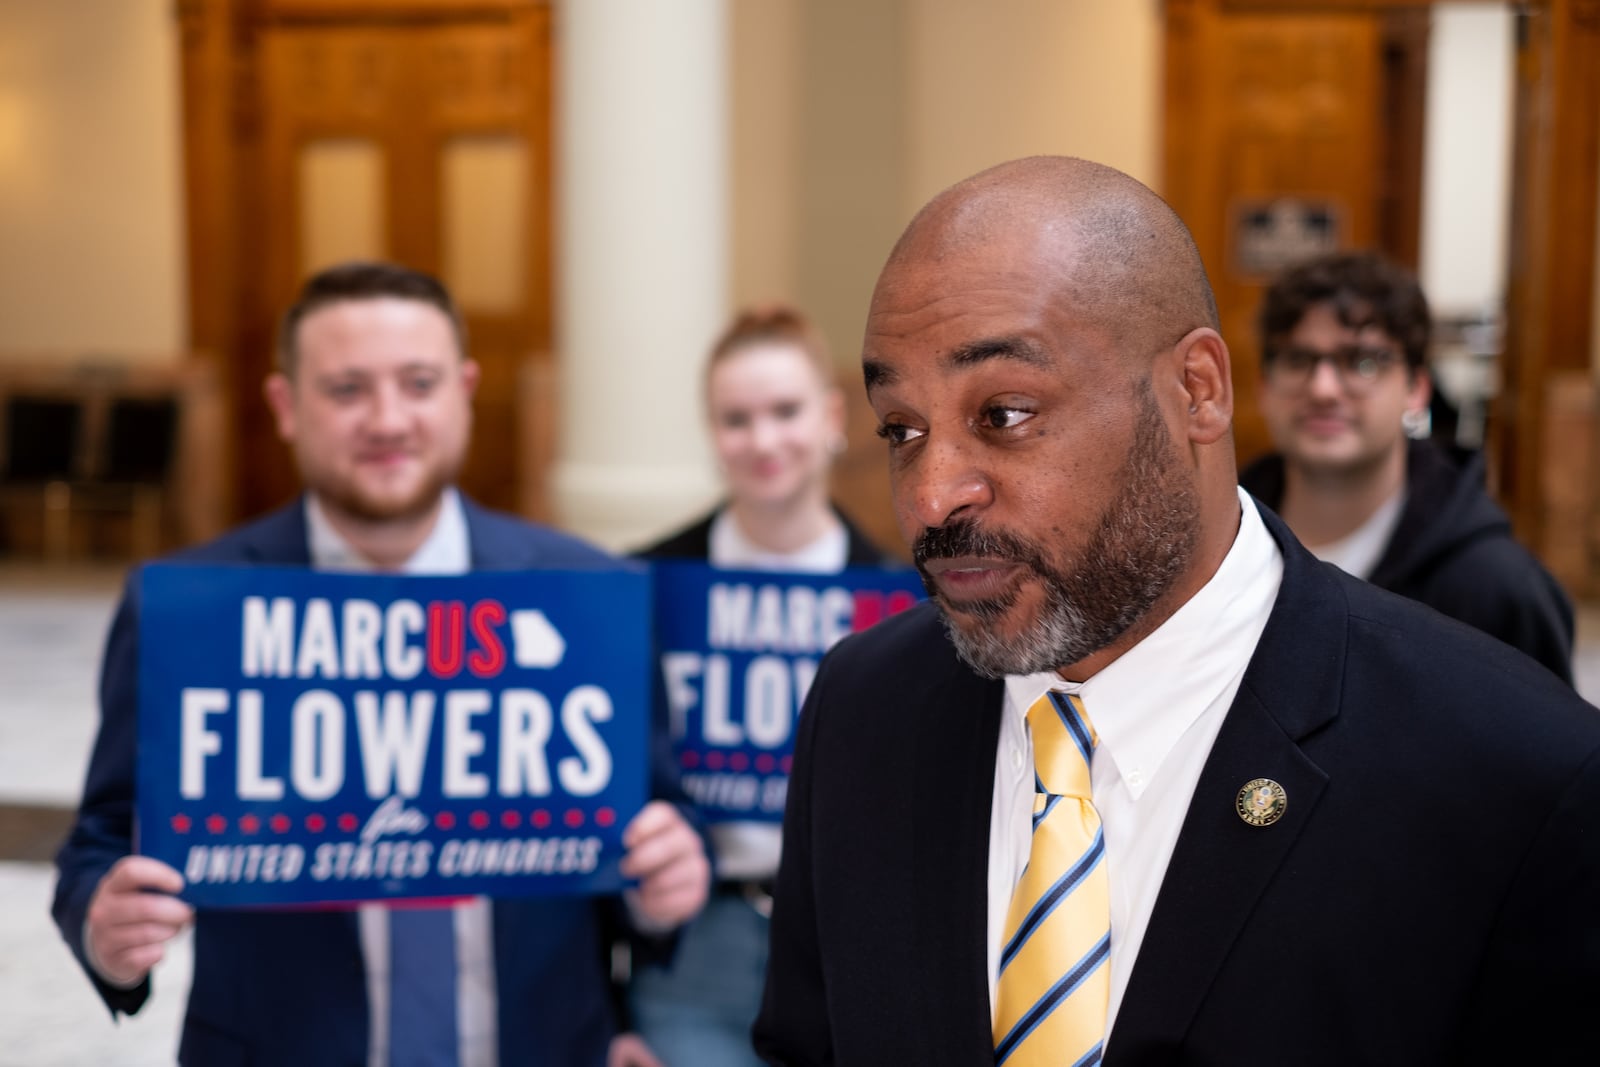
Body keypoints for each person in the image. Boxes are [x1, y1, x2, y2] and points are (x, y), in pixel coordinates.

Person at [751, 157, 1600, 1066]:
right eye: (901, 429)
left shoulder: (1514, 771)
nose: (930, 496)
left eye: (1003, 412)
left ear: (1196, 389)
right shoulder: (864, 709)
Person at [52, 261, 711, 1066]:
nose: (388, 417)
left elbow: (659, 826)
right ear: (286, 406)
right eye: (347, 389)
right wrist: (102, 922)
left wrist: (668, 884)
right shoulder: (187, 614)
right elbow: (101, 841)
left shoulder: (586, 599)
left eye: (419, 382)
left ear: (464, 391)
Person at [617, 306, 891, 1067]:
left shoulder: (901, 601)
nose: (764, 440)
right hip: (691, 951)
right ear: (711, 432)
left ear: (833, 417)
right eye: (736, 419)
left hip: (845, 950)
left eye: (785, 411)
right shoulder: (643, 586)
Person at [1240, 250, 1574, 681]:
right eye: (1298, 360)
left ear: (1416, 389)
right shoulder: (1214, 554)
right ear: (1264, 387)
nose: (1323, 388)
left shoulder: (1496, 589)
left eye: (1361, 362)